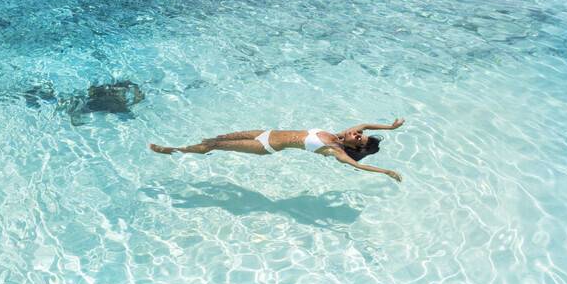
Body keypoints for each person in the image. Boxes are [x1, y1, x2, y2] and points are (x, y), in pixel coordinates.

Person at [149, 118, 405, 182]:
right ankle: (197, 149)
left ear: (354, 146)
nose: (357, 133)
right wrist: (390, 128)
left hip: (265, 145)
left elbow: (357, 165)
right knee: (218, 138)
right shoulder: (339, 133)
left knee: (215, 145)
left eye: (358, 138)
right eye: (359, 134)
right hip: (266, 132)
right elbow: (366, 124)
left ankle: (175, 150)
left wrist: (386, 172)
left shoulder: (335, 149)